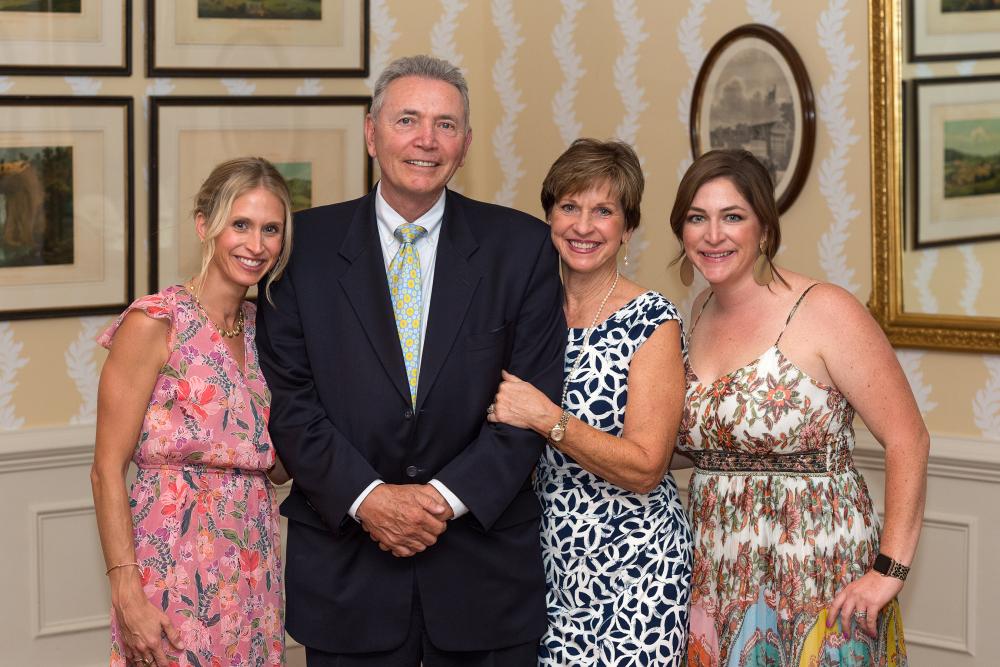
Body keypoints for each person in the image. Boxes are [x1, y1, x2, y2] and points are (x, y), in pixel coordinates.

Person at [255, 55, 565, 666]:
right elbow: (290, 404)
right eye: (407, 120)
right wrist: (369, 498)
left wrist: (438, 502)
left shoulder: (521, 247)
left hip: (483, 578)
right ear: (371, 134)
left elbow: (530, 405)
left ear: (467, 143)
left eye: (446, 125)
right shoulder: (301, 249)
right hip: (348, 578)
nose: (426, 140)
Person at [671, 149, 928, 666]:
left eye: (733, 217)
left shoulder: (826, 309)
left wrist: (888, 572)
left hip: (816, 567)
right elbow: (703, 442)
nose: (713, 235)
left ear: (764, 227)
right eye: (698, 218)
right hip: (714, 564)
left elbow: (909, 438)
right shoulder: (696, 313)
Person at [487, 138, 692, 665]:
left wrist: (547, 418)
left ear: (627, 228)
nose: (583, 226)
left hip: (634, 567)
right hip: (536, 560)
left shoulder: (652, 320)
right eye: (569, 207)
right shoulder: (524, 312)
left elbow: (648, 467)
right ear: (549, 216)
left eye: (604, 211)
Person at [91, 157, 293, 667]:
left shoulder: (265, 330)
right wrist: (126, 591)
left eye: (271, 229)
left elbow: (278, 464)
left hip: (254, 562)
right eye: (240, 224)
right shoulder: (156, 321)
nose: (256, 244)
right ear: (205, 225)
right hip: (171, 561)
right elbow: (106, 470)